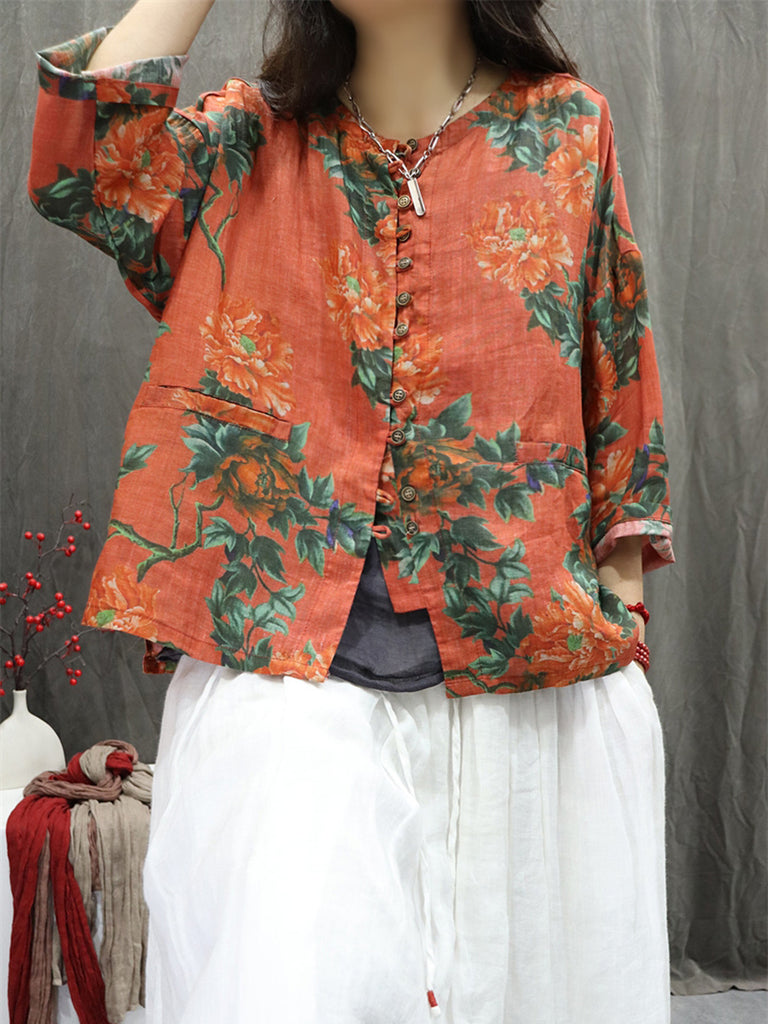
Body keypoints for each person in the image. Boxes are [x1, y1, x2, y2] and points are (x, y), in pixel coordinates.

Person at [27, 0, 675, 1021]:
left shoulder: (567, 128)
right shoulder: (250, 142)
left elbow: (617, 372)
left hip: (525, 677)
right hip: (286, 675)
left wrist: (622, 631)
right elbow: (83, 166)